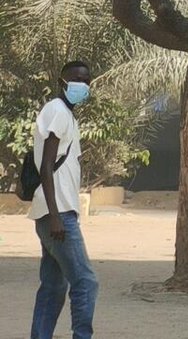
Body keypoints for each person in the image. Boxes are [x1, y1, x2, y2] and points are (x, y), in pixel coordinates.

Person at [29, 61, 99, 338]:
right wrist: (56, 215)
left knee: (54, 286)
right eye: (77, 79)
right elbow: (47, 166)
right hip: (57, 214)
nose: (83, 85)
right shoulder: (57, 111)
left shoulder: (65, 114)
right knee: (86, 282)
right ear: (63, 82)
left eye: (87, 81)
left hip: (53, 212)